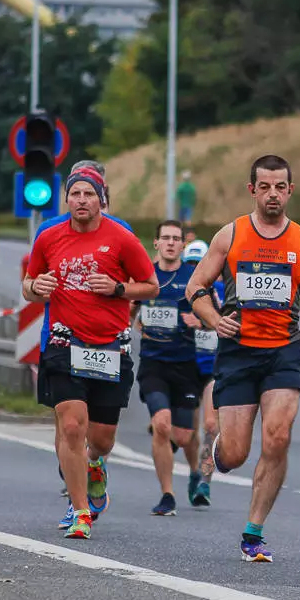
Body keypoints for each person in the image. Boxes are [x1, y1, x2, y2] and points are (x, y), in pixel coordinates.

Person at [186, 154, 300, 563]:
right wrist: (215, 320)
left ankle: (253, 532)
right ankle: (218, 449)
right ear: (252, 189)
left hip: (283, 351)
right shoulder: (230, 235)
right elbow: (195, 287)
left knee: (278, 436)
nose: (272, 194)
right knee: (234, 456)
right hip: (238, 353)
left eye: (280, 187)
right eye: (264, 186)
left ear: (290, 191)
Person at [24, 167, 159, 540]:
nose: (81, 200)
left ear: (101, 199)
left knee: (101, 438)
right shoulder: (49, 237)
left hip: (110, 346)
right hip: (64, 343)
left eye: (88, 194)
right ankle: (80, 511)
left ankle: (95, 464)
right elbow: (28, 285)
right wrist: (37, 286)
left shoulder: (122, 238)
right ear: (66, 199)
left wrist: (117, 289)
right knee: (71, 426)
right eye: (75, 194)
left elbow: (150, 286)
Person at [133, 220, 203, 516]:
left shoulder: (193, 277)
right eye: (166, 238)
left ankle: (196, 471)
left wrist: (200, 321)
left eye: (176, 238)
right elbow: (130, 309)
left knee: (184, 436)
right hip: (154, 364)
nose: (171, 243)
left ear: (182, 246)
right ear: (156, 243)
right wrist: (132, 325)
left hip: (186, 365)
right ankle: (167, 495)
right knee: (161, 424)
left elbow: (211, 313)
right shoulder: (145, 276)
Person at [182, 238, 220, 507]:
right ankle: (194, 470)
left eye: (200, 263)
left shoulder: (220, 289)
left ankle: (204, 483)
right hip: (184, 367)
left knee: (210, 425)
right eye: (191, 264)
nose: (196, 268)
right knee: (187, 433)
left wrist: (207, 321)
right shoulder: (181, 291)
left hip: (213, 368)